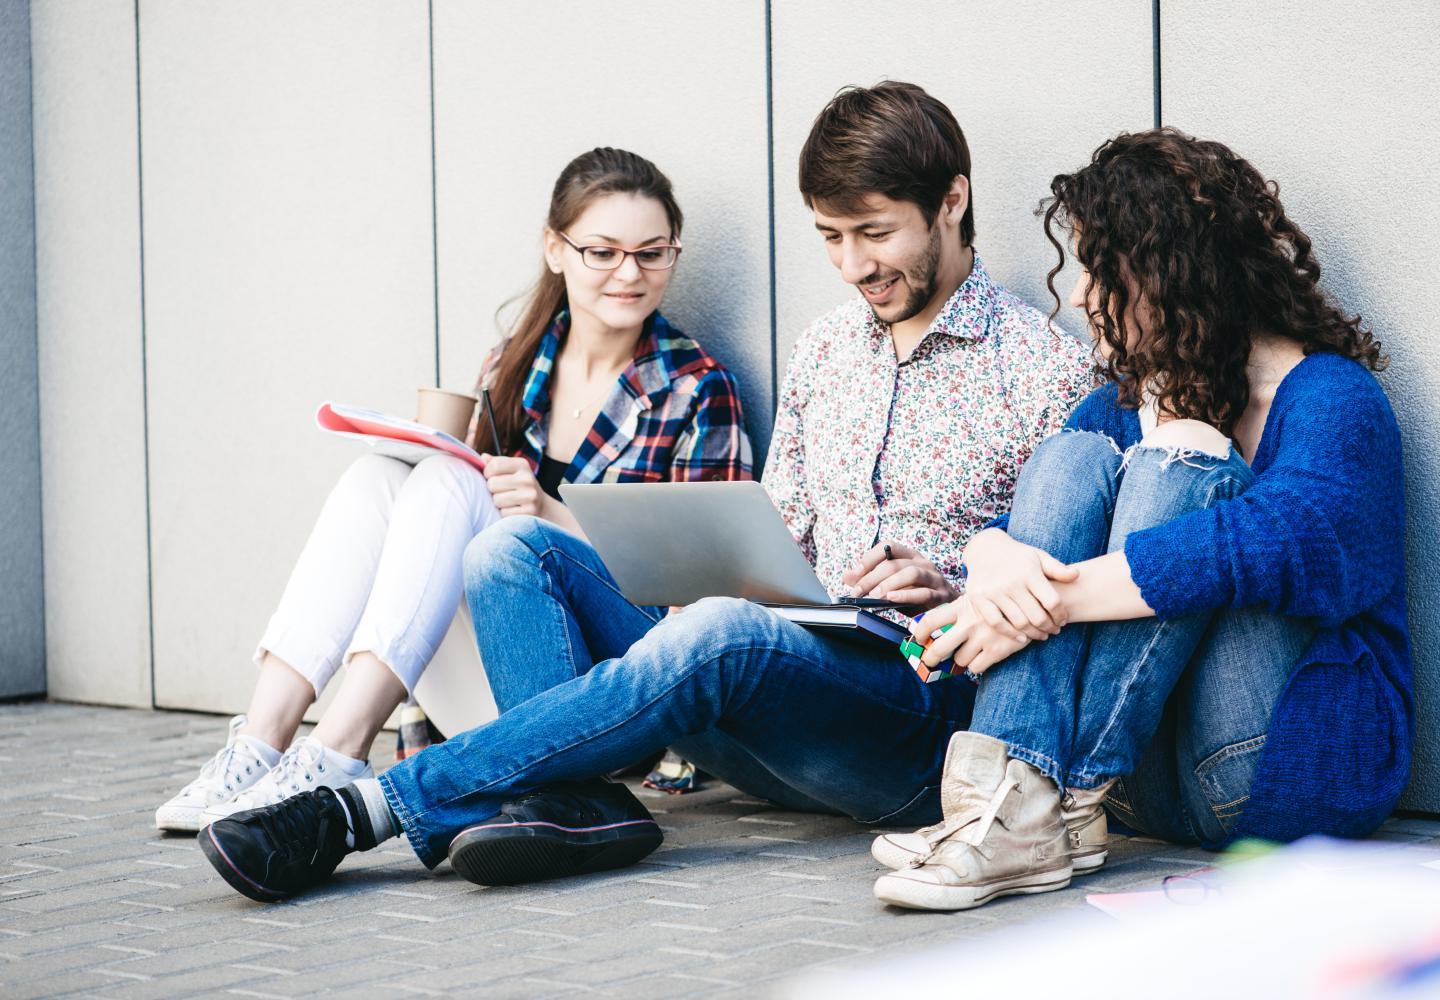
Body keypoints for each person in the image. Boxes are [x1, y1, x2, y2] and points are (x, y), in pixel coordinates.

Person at [196, 81, 1098, 902]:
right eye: (831, 237)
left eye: (876, 232)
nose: (855, 265)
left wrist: (954, 587)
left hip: (906, 720)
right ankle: (572, 804)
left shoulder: (1042, 368)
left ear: (951, 202)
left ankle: (360, 813)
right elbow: (774, 537)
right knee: (510, 549)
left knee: (719, 629)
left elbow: (1062, 594)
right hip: (770, 678)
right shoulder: (827, 350)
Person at [871, 128, 1411, 911]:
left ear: (1174, 271)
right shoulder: (1118, 406)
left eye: (1102, 270)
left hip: (1284, 776)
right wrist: (991, 561)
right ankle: (1016, 805)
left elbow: (1270, 542)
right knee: (1069, 460)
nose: (1084, 297)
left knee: (1180, 457)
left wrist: (1041, 602)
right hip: (1124, 797)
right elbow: (1022, 521)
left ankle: (1020, 807)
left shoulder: (1333, 399)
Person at [155, 147, 752, 833]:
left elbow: (700, 603)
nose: (630, 273)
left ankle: (338, 749)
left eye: (652, 253)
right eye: (603, 252)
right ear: (555, 250)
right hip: (488, 678)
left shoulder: (697, 388)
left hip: (606, 703)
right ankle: (260, 744)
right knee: (376, 478)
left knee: (461, 490)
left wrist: (549, 514)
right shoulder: (515, 362)